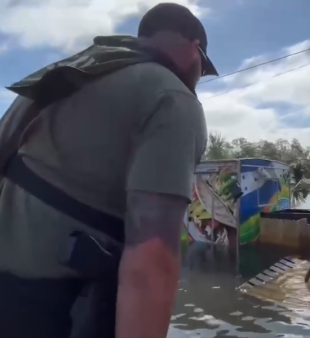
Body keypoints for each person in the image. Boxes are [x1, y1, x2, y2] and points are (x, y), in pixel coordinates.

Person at [0, 3, 216, 338]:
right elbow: (152, 260)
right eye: (204, 67)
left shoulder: (59, 74)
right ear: (194, 49)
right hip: (59, 310)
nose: (199, 77)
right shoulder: (171, 99)